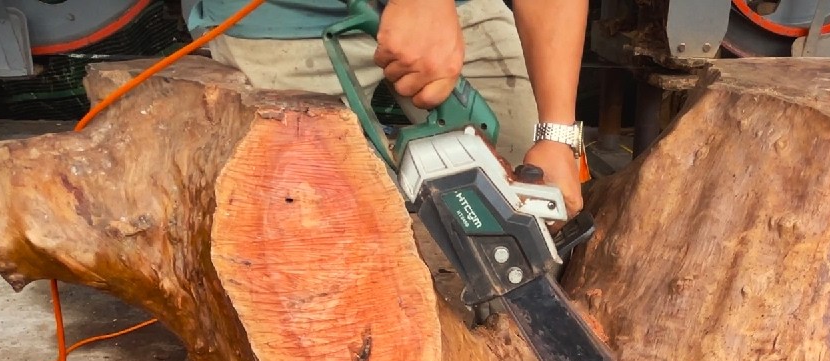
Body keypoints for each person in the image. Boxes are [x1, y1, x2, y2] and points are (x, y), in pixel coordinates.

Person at [185, 0, 586, 216]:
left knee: (540, 209)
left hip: (457, 10)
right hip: (283, 17)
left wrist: (557, 133)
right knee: (296, 228)